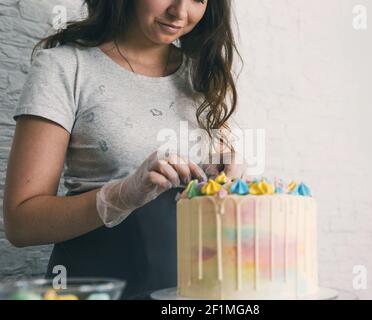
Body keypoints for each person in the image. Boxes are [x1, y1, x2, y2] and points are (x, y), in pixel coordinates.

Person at [3, 0, 246, 299]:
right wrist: (121, 195)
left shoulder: (205, 75)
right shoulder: (66, 66)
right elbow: (21, 224)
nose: (181, 12)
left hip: (192, 296)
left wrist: (227, 182)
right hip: (99, 289)